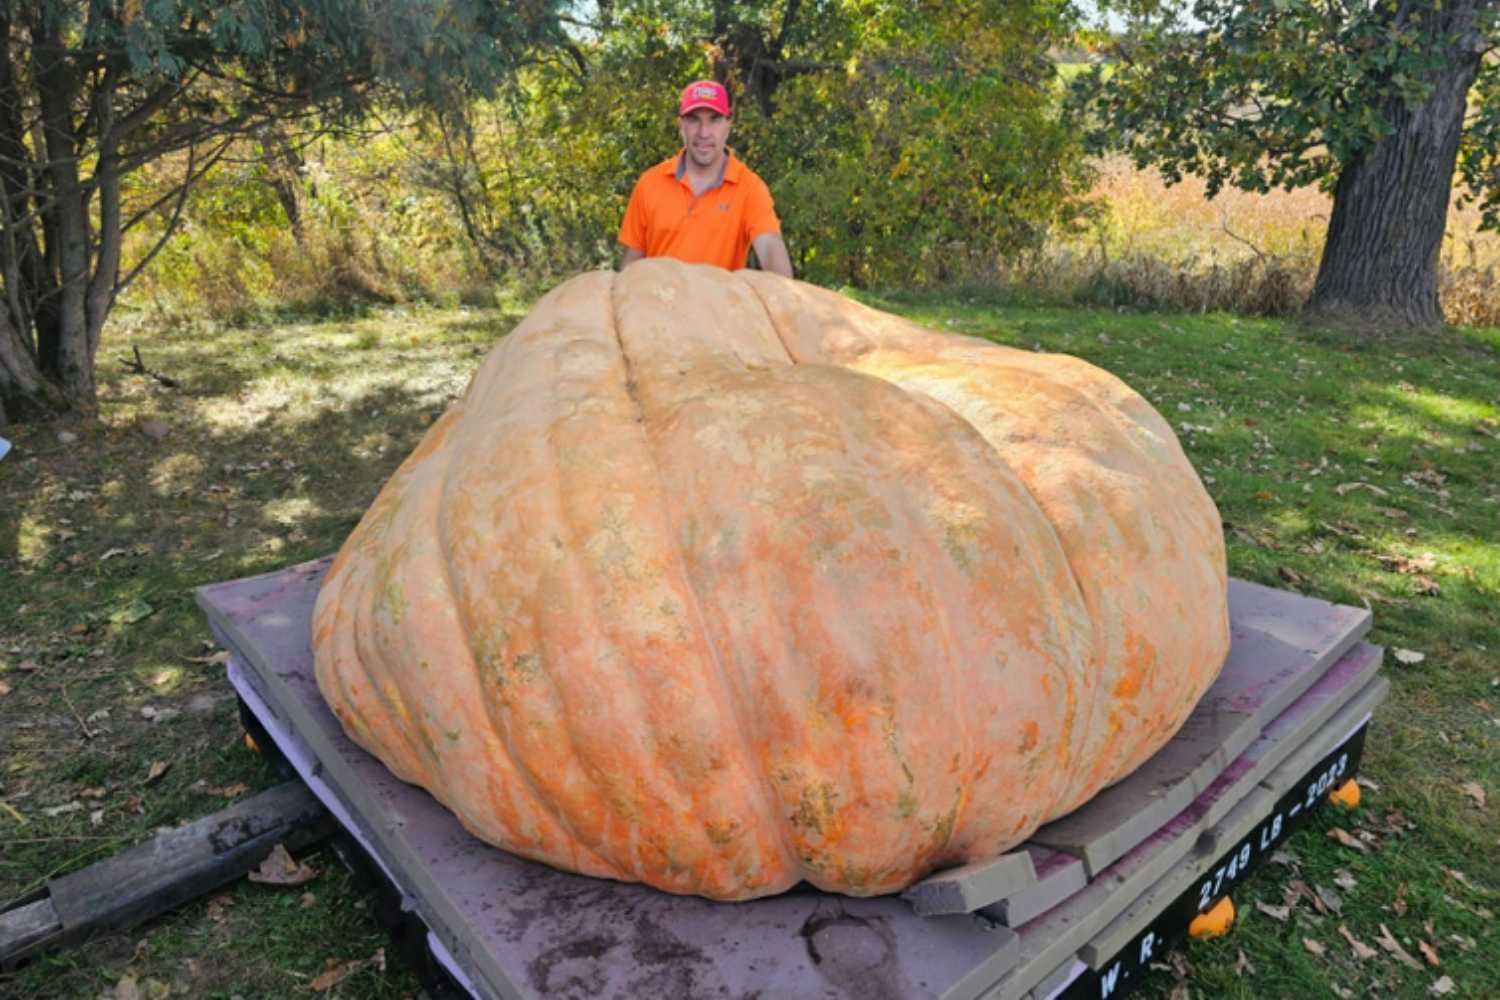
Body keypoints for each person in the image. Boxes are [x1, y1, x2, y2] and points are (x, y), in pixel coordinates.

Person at [618, 80, 793, 277]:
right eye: (694, 120)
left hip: (719, 306)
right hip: (659, 304)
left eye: (714, 120)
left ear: (728, 125)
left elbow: (770, 246)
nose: (704, 133)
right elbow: (631, 264)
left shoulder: (749, 188)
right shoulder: (650, 184)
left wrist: (785, 295)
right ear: (681, 125)